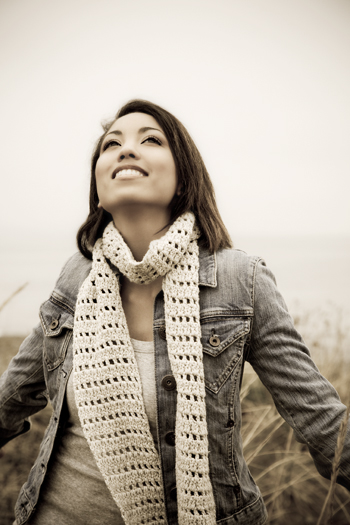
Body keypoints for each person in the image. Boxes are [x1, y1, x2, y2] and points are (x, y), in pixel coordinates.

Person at [0, 99, 349, 525]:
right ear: (98, 182)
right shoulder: (77, 276)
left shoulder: (240, 279)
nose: (126, 150)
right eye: (112, 144)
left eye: (150, 140)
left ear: (184, 175)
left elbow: (321, 422)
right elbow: (10, 400)